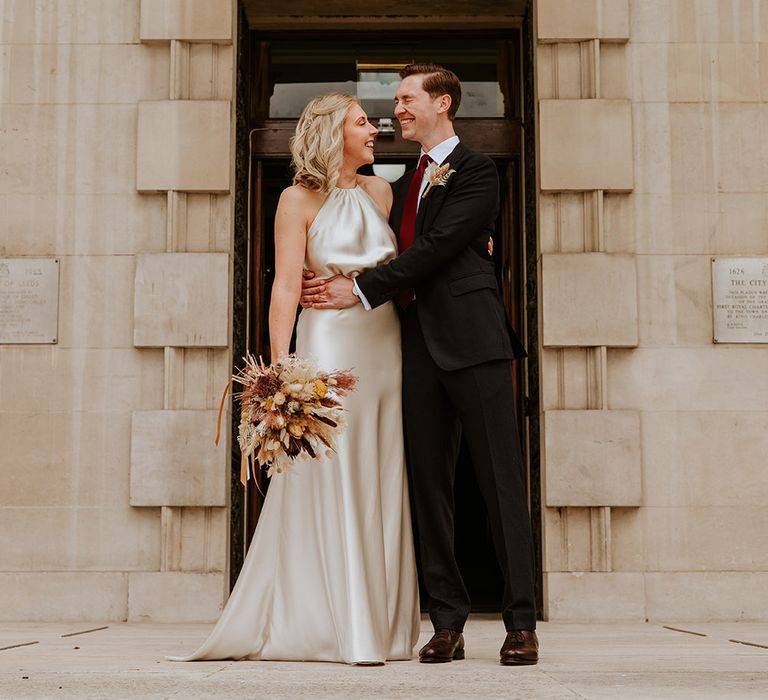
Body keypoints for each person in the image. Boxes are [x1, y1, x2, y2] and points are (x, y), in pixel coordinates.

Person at [168, 92, 419, 665]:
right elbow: (286, 285)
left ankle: (383, 623)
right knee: (333, 471)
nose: (374, 129)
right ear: (334, 133)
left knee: (380, 469)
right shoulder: (295, 198)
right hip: (328, 344)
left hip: (385, 346)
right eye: (362, 123)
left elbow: (401, 269)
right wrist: (282, 366)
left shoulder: (381, 191)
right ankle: (333, 623)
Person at [301, 64, 539, 666]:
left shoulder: (479, 171)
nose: (397, 109)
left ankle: (520, 623)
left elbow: (438, 248)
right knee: (429, 489)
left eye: (406, 99)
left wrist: (360, 289)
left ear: (442, 103)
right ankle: (448, 623)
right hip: (414, 351)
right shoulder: (403, 182)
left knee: (498, 483)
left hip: (475, 345)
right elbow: (399, 247)